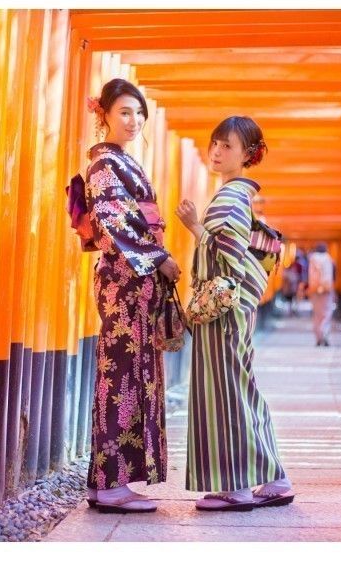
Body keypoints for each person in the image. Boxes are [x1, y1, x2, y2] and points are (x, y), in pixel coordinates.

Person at [176, 116, 294, 511]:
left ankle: (237, 485)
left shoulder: (230, 196)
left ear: (248, 154)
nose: (217, 151)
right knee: (242, 387)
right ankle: (275, 478)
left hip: (223, 310)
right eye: (215, 143)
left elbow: (229, 253)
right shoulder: (237, 194)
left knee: (225, 391)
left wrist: (195, 227)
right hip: (237, 307)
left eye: (227, 146)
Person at [83, 78, 182, 513]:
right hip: (123, 282)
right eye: (124, 111)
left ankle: (109, 480)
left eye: (139, 114)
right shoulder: (104, 165)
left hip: (134, 284)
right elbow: (116, 222)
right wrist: (157, 256)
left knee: (130, 372)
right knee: (120, 374)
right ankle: (110, 483)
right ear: (103, 113)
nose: (133, 120)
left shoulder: (121, 162)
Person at [308, 242, 335, 346]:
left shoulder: (312, 259)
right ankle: (325, 333)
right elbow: (333, 275)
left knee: (317, 313)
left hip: (314, 289)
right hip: (326, 289)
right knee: (327, 313)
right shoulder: (328, 259)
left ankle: (318, 337)